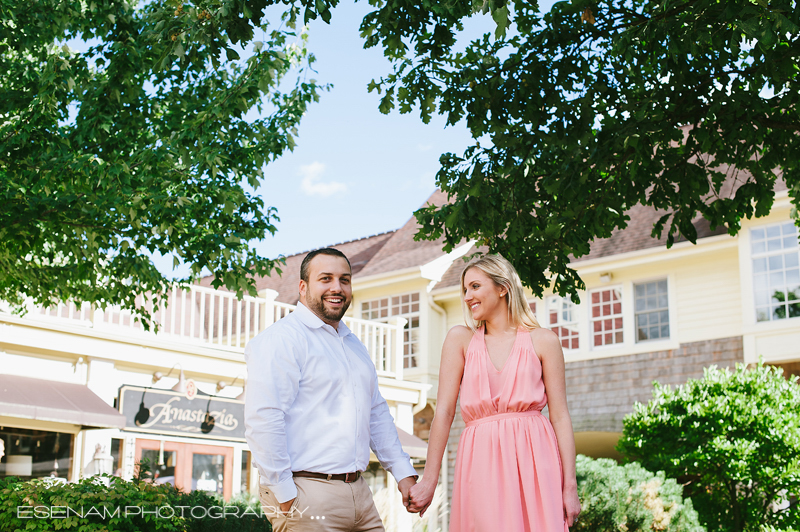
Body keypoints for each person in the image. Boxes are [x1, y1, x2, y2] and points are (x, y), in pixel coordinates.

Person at [244, 248, 419, 532]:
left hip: (359, 492)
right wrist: (285, 493)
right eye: (325, 279)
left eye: (344, 280)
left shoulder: (353, 345)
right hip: (306, 492)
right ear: (303, 287)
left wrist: (403, 474)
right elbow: (264, 419)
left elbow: (376, 414)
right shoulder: (281, 340)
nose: (336, 287)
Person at [407, 255, 581, 530]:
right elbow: (443, 411)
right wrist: (429, 479)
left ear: (503, 288)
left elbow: (560, 416)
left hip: (535, 460)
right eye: (465, 290)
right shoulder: (459, 340)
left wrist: (570, 486)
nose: (467, 296)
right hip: (480, 461)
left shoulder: (544, 341)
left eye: (475, 286)